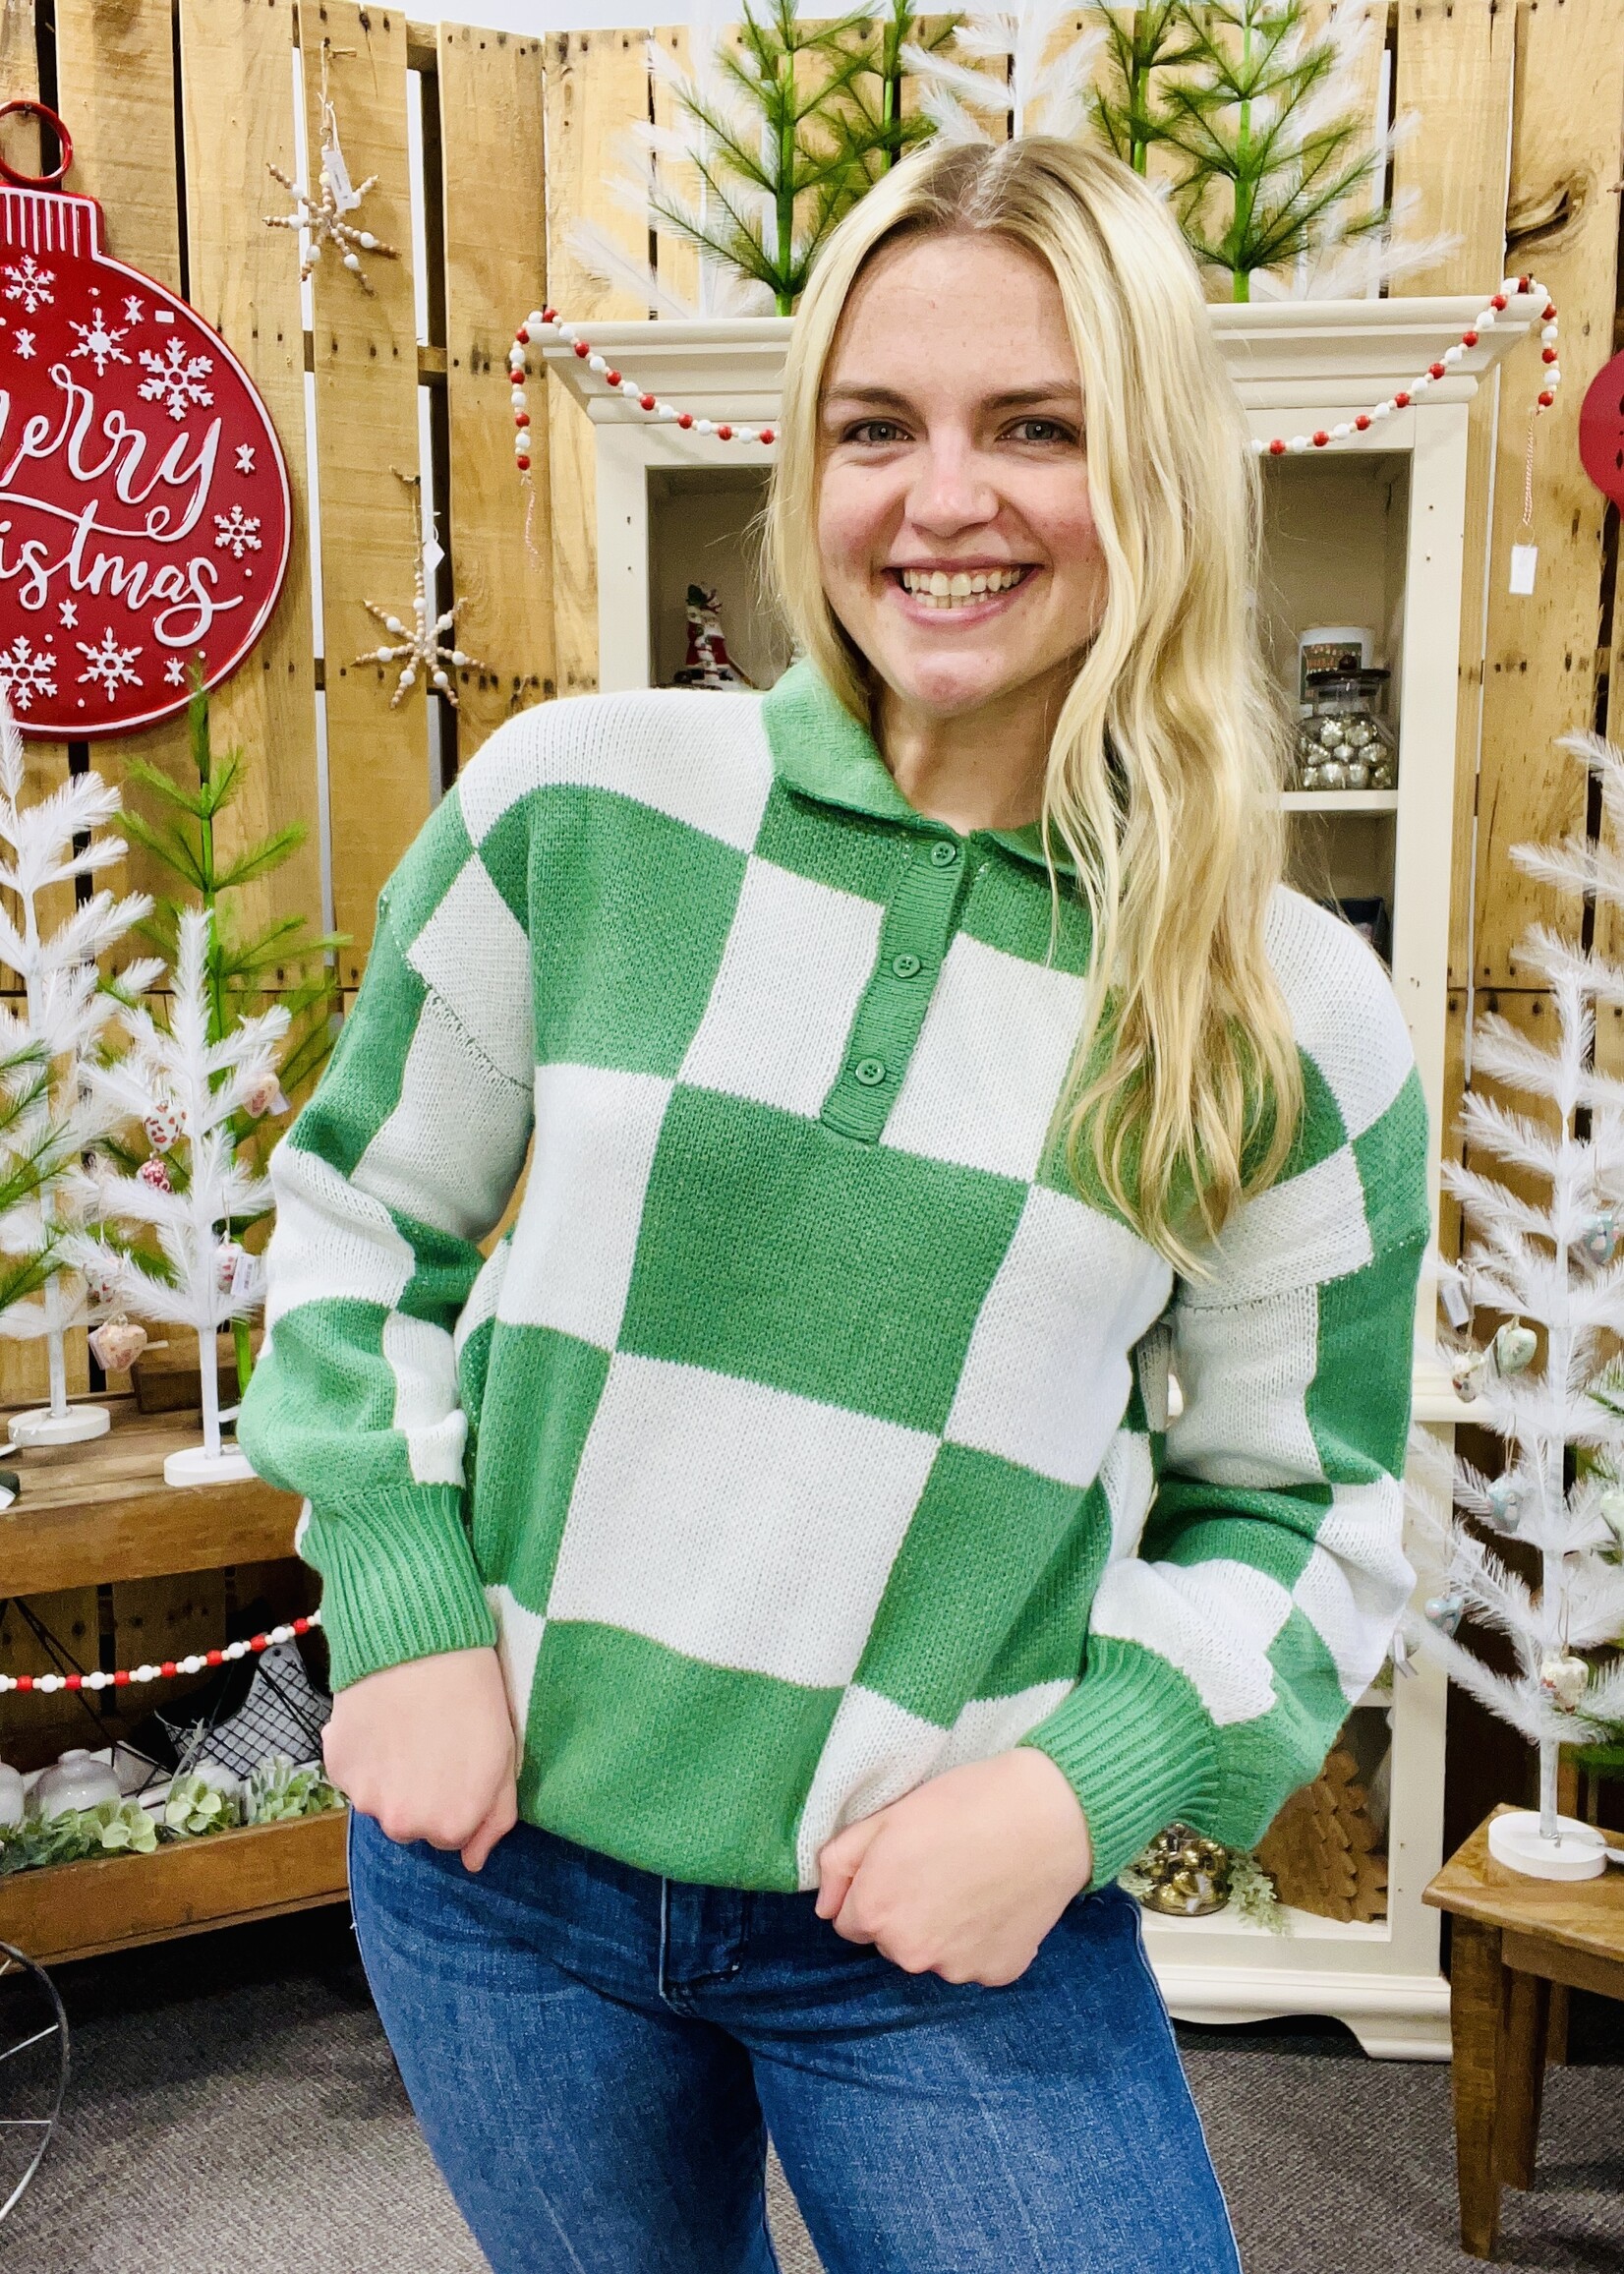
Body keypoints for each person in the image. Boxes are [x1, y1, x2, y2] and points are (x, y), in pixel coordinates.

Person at [237, 133, 1429, 2274]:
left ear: (1153, 471)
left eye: (1035, 428)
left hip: (939, 1921)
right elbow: (354, 1225)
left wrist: (1081, 1785)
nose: (940, 500)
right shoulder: (577, 811)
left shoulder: (1279, 998)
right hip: (502, 1875)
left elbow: (1302, 1505)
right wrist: (399, 1591)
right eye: (877, 426)